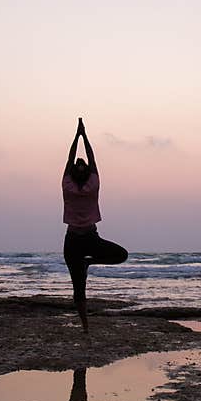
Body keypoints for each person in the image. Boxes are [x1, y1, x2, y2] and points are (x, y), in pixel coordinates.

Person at [62, 117, 128, 331]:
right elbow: (76, 159)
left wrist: (80, 136)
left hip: (90, 239)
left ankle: (89, 263)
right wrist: (81, 136)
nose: (81, 166)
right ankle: (85, 327)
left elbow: (83, 158)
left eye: (83, 165)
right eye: (78, 165)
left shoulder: (87, 183)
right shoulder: (71, 184)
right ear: (75, 171)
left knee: (121, 255)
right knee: (78, 288)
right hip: (73, 241)